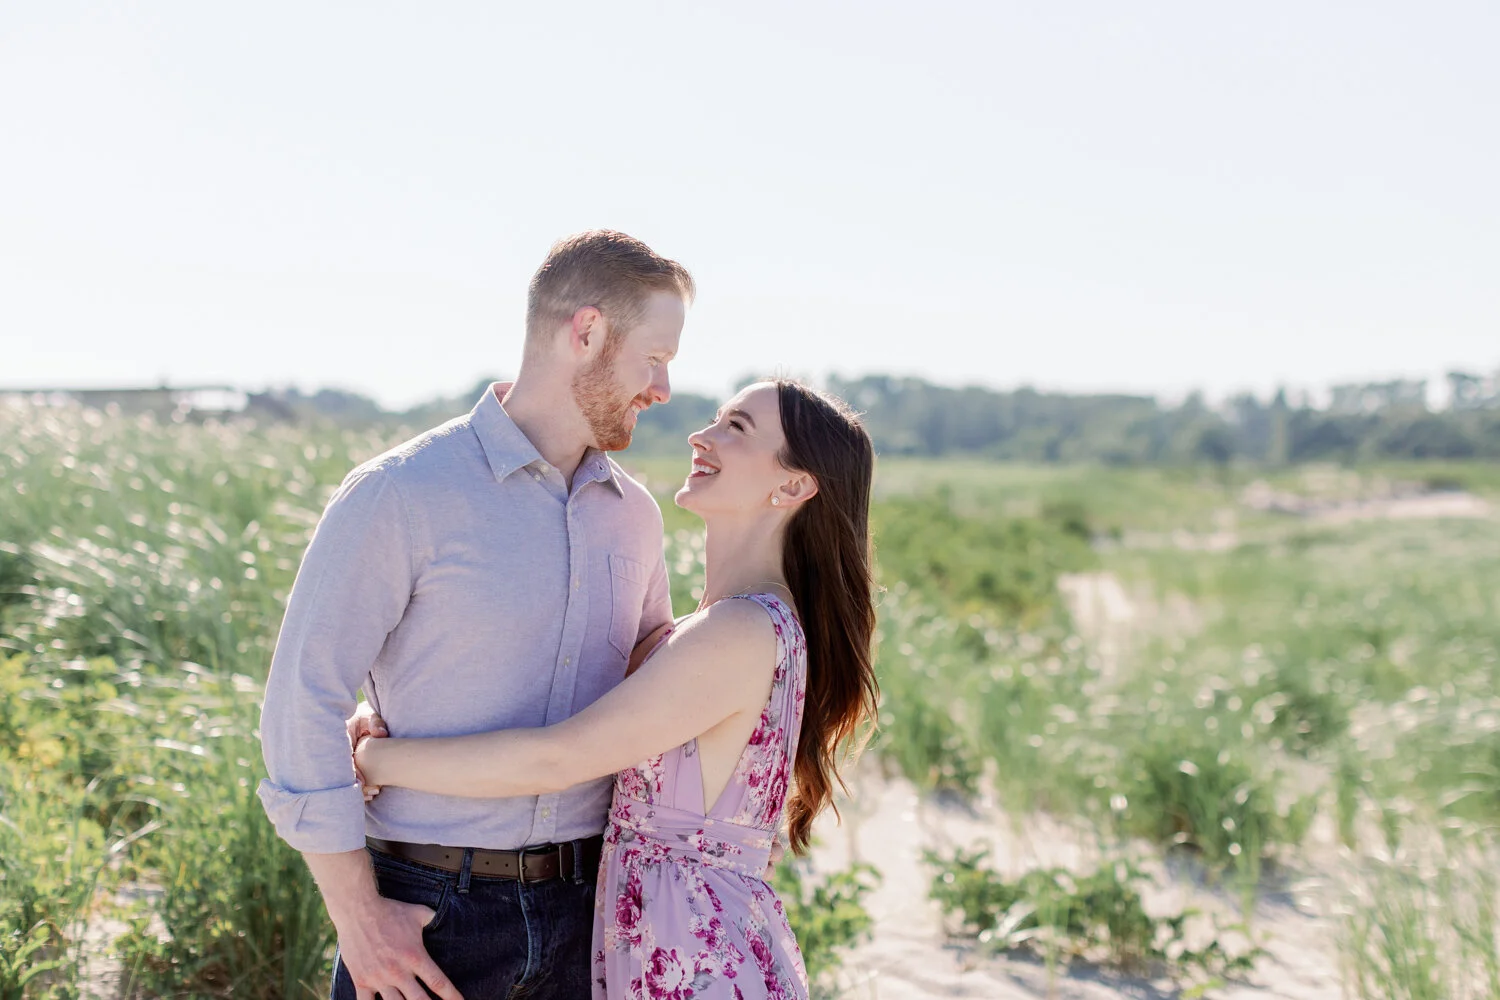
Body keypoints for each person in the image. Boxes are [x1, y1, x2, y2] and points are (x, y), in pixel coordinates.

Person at [257, 230, 695, 1000]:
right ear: (586, 332)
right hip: (427, 916)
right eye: (654, 358)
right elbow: (301, 701)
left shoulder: (636, 518)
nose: (661, 387)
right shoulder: (401, 493)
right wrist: (359, 918)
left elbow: (647, 698)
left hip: (590, 912)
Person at [351, 379, 880, 1000]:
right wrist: (386, 707)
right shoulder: (716, 626)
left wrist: (375, 759)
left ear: (792, 486)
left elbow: (560, 756)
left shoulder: (739, 631)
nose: (700, 435)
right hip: (668, 950)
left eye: (736, 428)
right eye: (715, 419)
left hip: (698, 965)